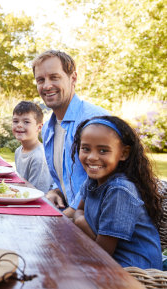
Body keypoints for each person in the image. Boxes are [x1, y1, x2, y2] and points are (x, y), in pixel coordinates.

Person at [72, 116, 162, 269]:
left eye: (103, 150)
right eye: (86, 148)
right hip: (103, 255)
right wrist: (79, 219)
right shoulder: (93, 180)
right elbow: (78, 211)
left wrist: (80, 222)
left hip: (133, 268)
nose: (92, 157)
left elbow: (103, 255)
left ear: (123, 153)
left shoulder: (119, 191)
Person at [33, 50, 108, 217]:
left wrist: (71, 212)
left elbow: (107, 182)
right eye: (40, 80)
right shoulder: (48, 128)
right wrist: (55, 191)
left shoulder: (95, 122)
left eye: (54, 77)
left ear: (73, 78)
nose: (46, 86)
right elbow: (66, 176)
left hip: (102, 229)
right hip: (73, 218)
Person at [12, 101, 52, 192]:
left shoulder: (39, 157)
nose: (19, 125)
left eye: (26, 122)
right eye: (15, 121)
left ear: (39, 127)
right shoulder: (18, 151)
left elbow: (38, 193)